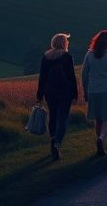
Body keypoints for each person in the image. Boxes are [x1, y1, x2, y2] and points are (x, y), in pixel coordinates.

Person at [37, 32, 79, 161]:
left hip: (50, 92)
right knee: (62, 119)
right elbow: (71, 77)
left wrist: (39, 94)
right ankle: (57, 144)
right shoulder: (67, 57)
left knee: (53, 117)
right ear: (64, 43)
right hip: (64, 92)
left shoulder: (46, 57)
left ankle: (53, 139)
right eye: (67, 41)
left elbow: (42, 77)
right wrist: (75, 94)